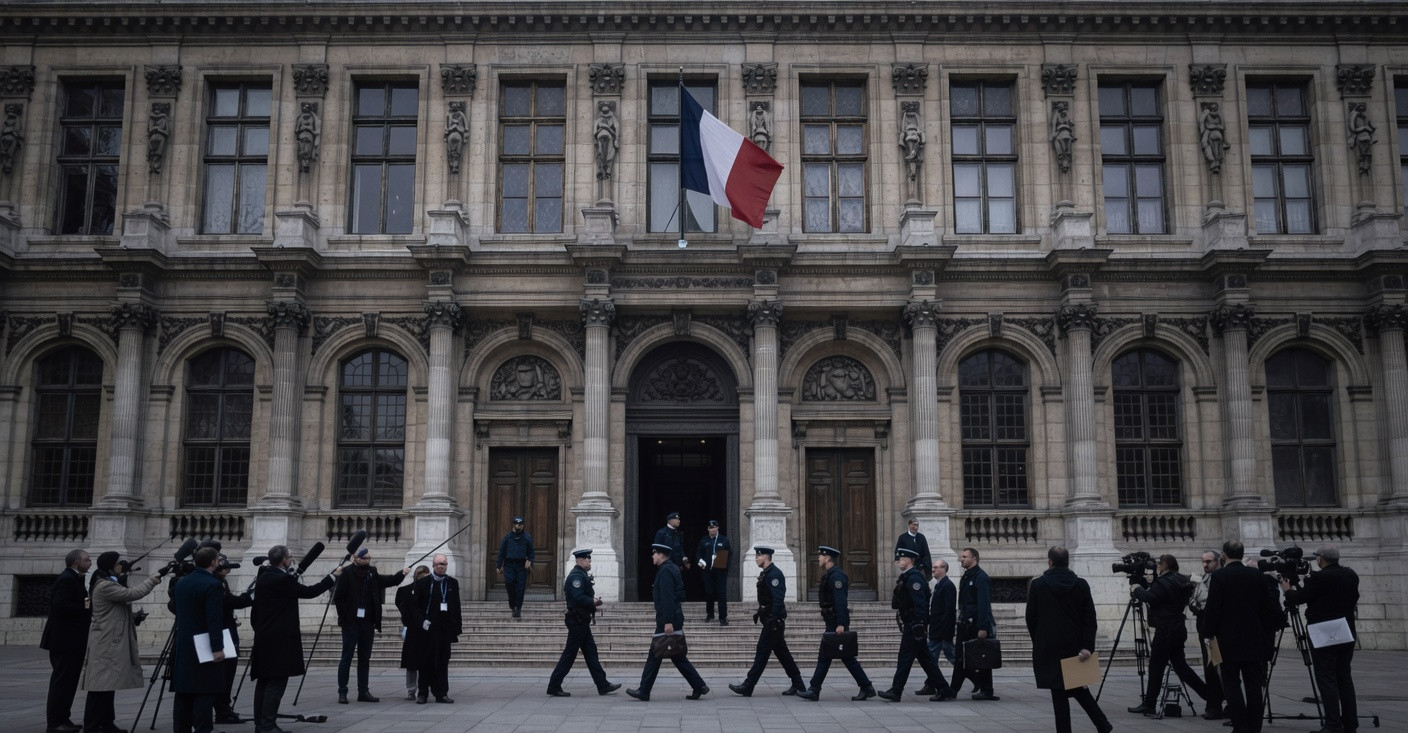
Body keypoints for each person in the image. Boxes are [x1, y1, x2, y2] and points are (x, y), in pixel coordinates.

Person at [250, 545, 342, 733]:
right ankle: (267, 725)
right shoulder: (281, 579)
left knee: (264, 682)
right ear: (283, 560)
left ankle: (261, 723)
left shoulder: (264, 576)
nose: (291, 559)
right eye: (290, 556)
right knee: (276, 682)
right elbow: (310, 592)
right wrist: (332, 577)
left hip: (264, 636)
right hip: (279, 639)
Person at [1026, 546, 1113, 733]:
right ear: (1067, 562)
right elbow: (1090, 618)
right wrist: (1087, 645)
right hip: (1074, 644)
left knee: (1060, 691)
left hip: (1049, 645)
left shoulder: (1038, 585)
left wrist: (1039, 640)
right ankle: (1102, 724)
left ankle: (1092, 726)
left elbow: (1031, 617)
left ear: (1050, 562)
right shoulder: (1081, 584)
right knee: (1075, 686)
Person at [1202, 540, 1283, 733]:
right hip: (1254, 638)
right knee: (1254, 686)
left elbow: (1213, 609)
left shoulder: (1219, 576)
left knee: (1231, 685)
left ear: (1224, 555)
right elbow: (1266, 608)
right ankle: (1255, 727)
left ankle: (1240, 727)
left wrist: (1208, 634)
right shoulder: (1257, 575)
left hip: (1227, 639)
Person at [81, 551, 166, 733]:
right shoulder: (105, 586)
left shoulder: (109, 582)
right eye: (119, 563)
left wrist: (133, 617)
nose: (122, 565)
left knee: (108, 685)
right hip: (105, 642)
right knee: (99, 686)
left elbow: (116, 609)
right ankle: (92, 726)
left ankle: (107, 723)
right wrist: (153, 579)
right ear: (110, 566)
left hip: (109, 639)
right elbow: (133, 593)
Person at [1283, 545, 1360, 733]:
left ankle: (1333, 723)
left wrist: (1287, 590)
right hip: (1345, 629)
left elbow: (1300, 598)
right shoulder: (1351, 575)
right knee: (1344, 677)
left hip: (1323, 631)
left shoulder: (1319, 578)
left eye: (1317, 556)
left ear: (1321, 558)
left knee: (1326, 677)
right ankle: (1350, 722)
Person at [1129, 554, 1211, 715]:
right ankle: (1211, 696)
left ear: (1166, 565)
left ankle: (1150, 704)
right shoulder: (1181, 580)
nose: (1158, 566)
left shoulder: (1163, 582)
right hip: (1178, 627)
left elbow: (1150, 597)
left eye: (1160, 564)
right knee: (1181, 667)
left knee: (1156, 666)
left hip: (1165, 629)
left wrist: (1136, 588)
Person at [627, 544, 708, 702]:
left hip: (668, 618)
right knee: (677, 655)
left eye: (654, 554)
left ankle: (644, 690)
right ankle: (699, 685)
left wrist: (668, 621)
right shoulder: (671, 569)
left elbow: (668, 598)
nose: (652, 556)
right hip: (672, 616)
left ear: (661, 555)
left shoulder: (665, 572)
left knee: (655, 653)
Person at [796, 545, 875, 702]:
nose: (818, 558)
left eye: (821, 556)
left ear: (827, 558)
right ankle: (866, 687)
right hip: (832, 621)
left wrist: (841, 624)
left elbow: (840, 602)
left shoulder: (837, 576)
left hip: (835, 622)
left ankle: (814, 689)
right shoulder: (830, 574)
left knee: (829, 656)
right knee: (841, 657)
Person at [333, 548, 409, 703]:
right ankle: (342, 692)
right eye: (364, 558)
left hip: (367, 623)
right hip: (351, 623)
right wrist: (345, 616)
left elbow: (388, 581)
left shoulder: (371, 573)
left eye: (369, 558)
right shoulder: (346, 573)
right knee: (346, 657)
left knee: (364, 658)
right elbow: (338, 597)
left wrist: (401, 574)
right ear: (355, 558)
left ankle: (363, 691)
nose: (367, 561)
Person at [729, 546, 805, 697]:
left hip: (773, 622)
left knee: (762, 652)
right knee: (783, 654)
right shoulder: (767, 573)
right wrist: (761, 613)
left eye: (759, 556)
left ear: (766, 557)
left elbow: (778, 599)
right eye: (756, 556)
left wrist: (772, 618)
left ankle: (748, 685)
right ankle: (799, 684)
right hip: (771, 619)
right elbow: (767, 598)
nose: (756, 558)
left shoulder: (774, 574)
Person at [547, 548, 620, 697]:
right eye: (588, 559)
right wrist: (592, 601)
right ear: (580, 560)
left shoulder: (581, 575)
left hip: (581, 620)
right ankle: (554, 685)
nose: (590, 561)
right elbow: (577, 597)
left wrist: (592, 601)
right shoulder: (576, 576)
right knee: (569, 654)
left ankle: (602, 685)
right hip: (577, 620)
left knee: (591, 652)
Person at [877, 547, 947, 702]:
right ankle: (944, 689)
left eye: (901, 559)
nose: (899, 561)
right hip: (912, 622)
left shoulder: (914, 577)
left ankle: (896, 691)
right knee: (926, 659)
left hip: (914, 624)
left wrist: (919, 624)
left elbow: (920, 602)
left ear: (910, 560)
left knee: (905, 658)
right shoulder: (908, 576)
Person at [170, 547, 227, 733]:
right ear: (213, 562)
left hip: (184, 642)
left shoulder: (182, 583)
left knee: (184, 691)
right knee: (205, 690)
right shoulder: (212, 585)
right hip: (203, 644)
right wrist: (217, 647)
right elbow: (213, 618)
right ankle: (203, 729)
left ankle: (181, 729)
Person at [42, 549, 92, 733]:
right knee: (61, 682)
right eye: (87, 559)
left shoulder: (76, 578)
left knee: (69, 682)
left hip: (73, 640)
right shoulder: (67, 579)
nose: (90, 562)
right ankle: (55, 722)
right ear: (76, 562)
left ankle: (64, 718)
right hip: (64, 640)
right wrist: (85, 610)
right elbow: (60, 606)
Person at [948, 546, 998, 701]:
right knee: (962, 658)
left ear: (974, 559)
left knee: (981, 657)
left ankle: (983, 690)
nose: (961, 559)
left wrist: (982, 627)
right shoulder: (967, 576)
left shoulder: (980, 577)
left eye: (965, 557)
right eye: (962, 556)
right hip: (965, 623)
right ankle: (960, 689)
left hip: (975, 624)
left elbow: (984, 604)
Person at [413, 554, 462, 704]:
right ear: (433, 565)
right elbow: (416, 606)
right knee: (425, 661)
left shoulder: (452, 583)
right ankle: (423, 693)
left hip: (444, 629)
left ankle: (442, 693)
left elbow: (456, 606)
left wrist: (456, 628)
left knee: (442, 662)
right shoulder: (423, 582)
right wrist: (422, 622)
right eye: (439, 564)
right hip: (428, 628)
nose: (441, 566)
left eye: (444, 564)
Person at [213, 555, 252, 725]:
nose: (228, 569)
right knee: (226, 672)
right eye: (225, 566)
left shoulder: (218, 580)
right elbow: (229, 601)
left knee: (226, 672)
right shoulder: (216, 583)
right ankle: (222, 710)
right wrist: (247, 597)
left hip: (225, 630)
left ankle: (223, 708)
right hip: (223, 633)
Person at [1189, 550, 1226, 720]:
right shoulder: (1202, 580)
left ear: (1217, 561)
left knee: (1216, 667)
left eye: (1209, 561)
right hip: (1205, 627)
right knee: (1211, 666)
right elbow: (1194, 600)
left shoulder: (1219, 578)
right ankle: (1215, 703)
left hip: (1214, 630)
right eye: (1203, 561)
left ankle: (1217, 705)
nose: (1205, 564)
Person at [918, 558, 957, 698]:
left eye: (935, 567)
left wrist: (944, 631)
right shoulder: (939, 585)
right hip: (937, 630)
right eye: (933, 567)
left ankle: (977, 679)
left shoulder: (947, 586)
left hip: (942, 631)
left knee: (952, 657)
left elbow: (949, 611)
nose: (933, 570)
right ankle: (930, 684)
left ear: (943, 569)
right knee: (931, 659)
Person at [395, 566, 430, 701]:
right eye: (423, 576)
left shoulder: (430, 591)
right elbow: (400, 604)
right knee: (411, 662)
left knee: (424, 661)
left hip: (425, 630)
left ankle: (422, 688)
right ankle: (411, 689)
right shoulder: (405, 590)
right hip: (412, 629)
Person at [496, 516, 535, 618]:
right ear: (513, 524)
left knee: (520, 588)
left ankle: (518, 608)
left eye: (521, 524)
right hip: (509, 565)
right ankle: (512, 605)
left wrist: (530, 561)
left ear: (523, 525)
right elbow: (502, 552)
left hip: (521, 566)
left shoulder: (527, 537)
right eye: (517, 524)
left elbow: (531, 553)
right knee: (510, 584)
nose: (519, 526)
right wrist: (499, 565)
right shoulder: (507, 537)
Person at [695, 520, 731, 625]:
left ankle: (723, 617)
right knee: (709, 592)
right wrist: (700, 562)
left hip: (720, 570)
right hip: (708, 571)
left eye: (714, 527)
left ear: (718, 528)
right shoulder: (704, 540)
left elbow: (729, 554)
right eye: (711, 528)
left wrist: (726, 568)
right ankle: (710, 614)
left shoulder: (724, 540)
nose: (713, 529)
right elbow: (698, 554)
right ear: (708, 529)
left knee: (721, 594)